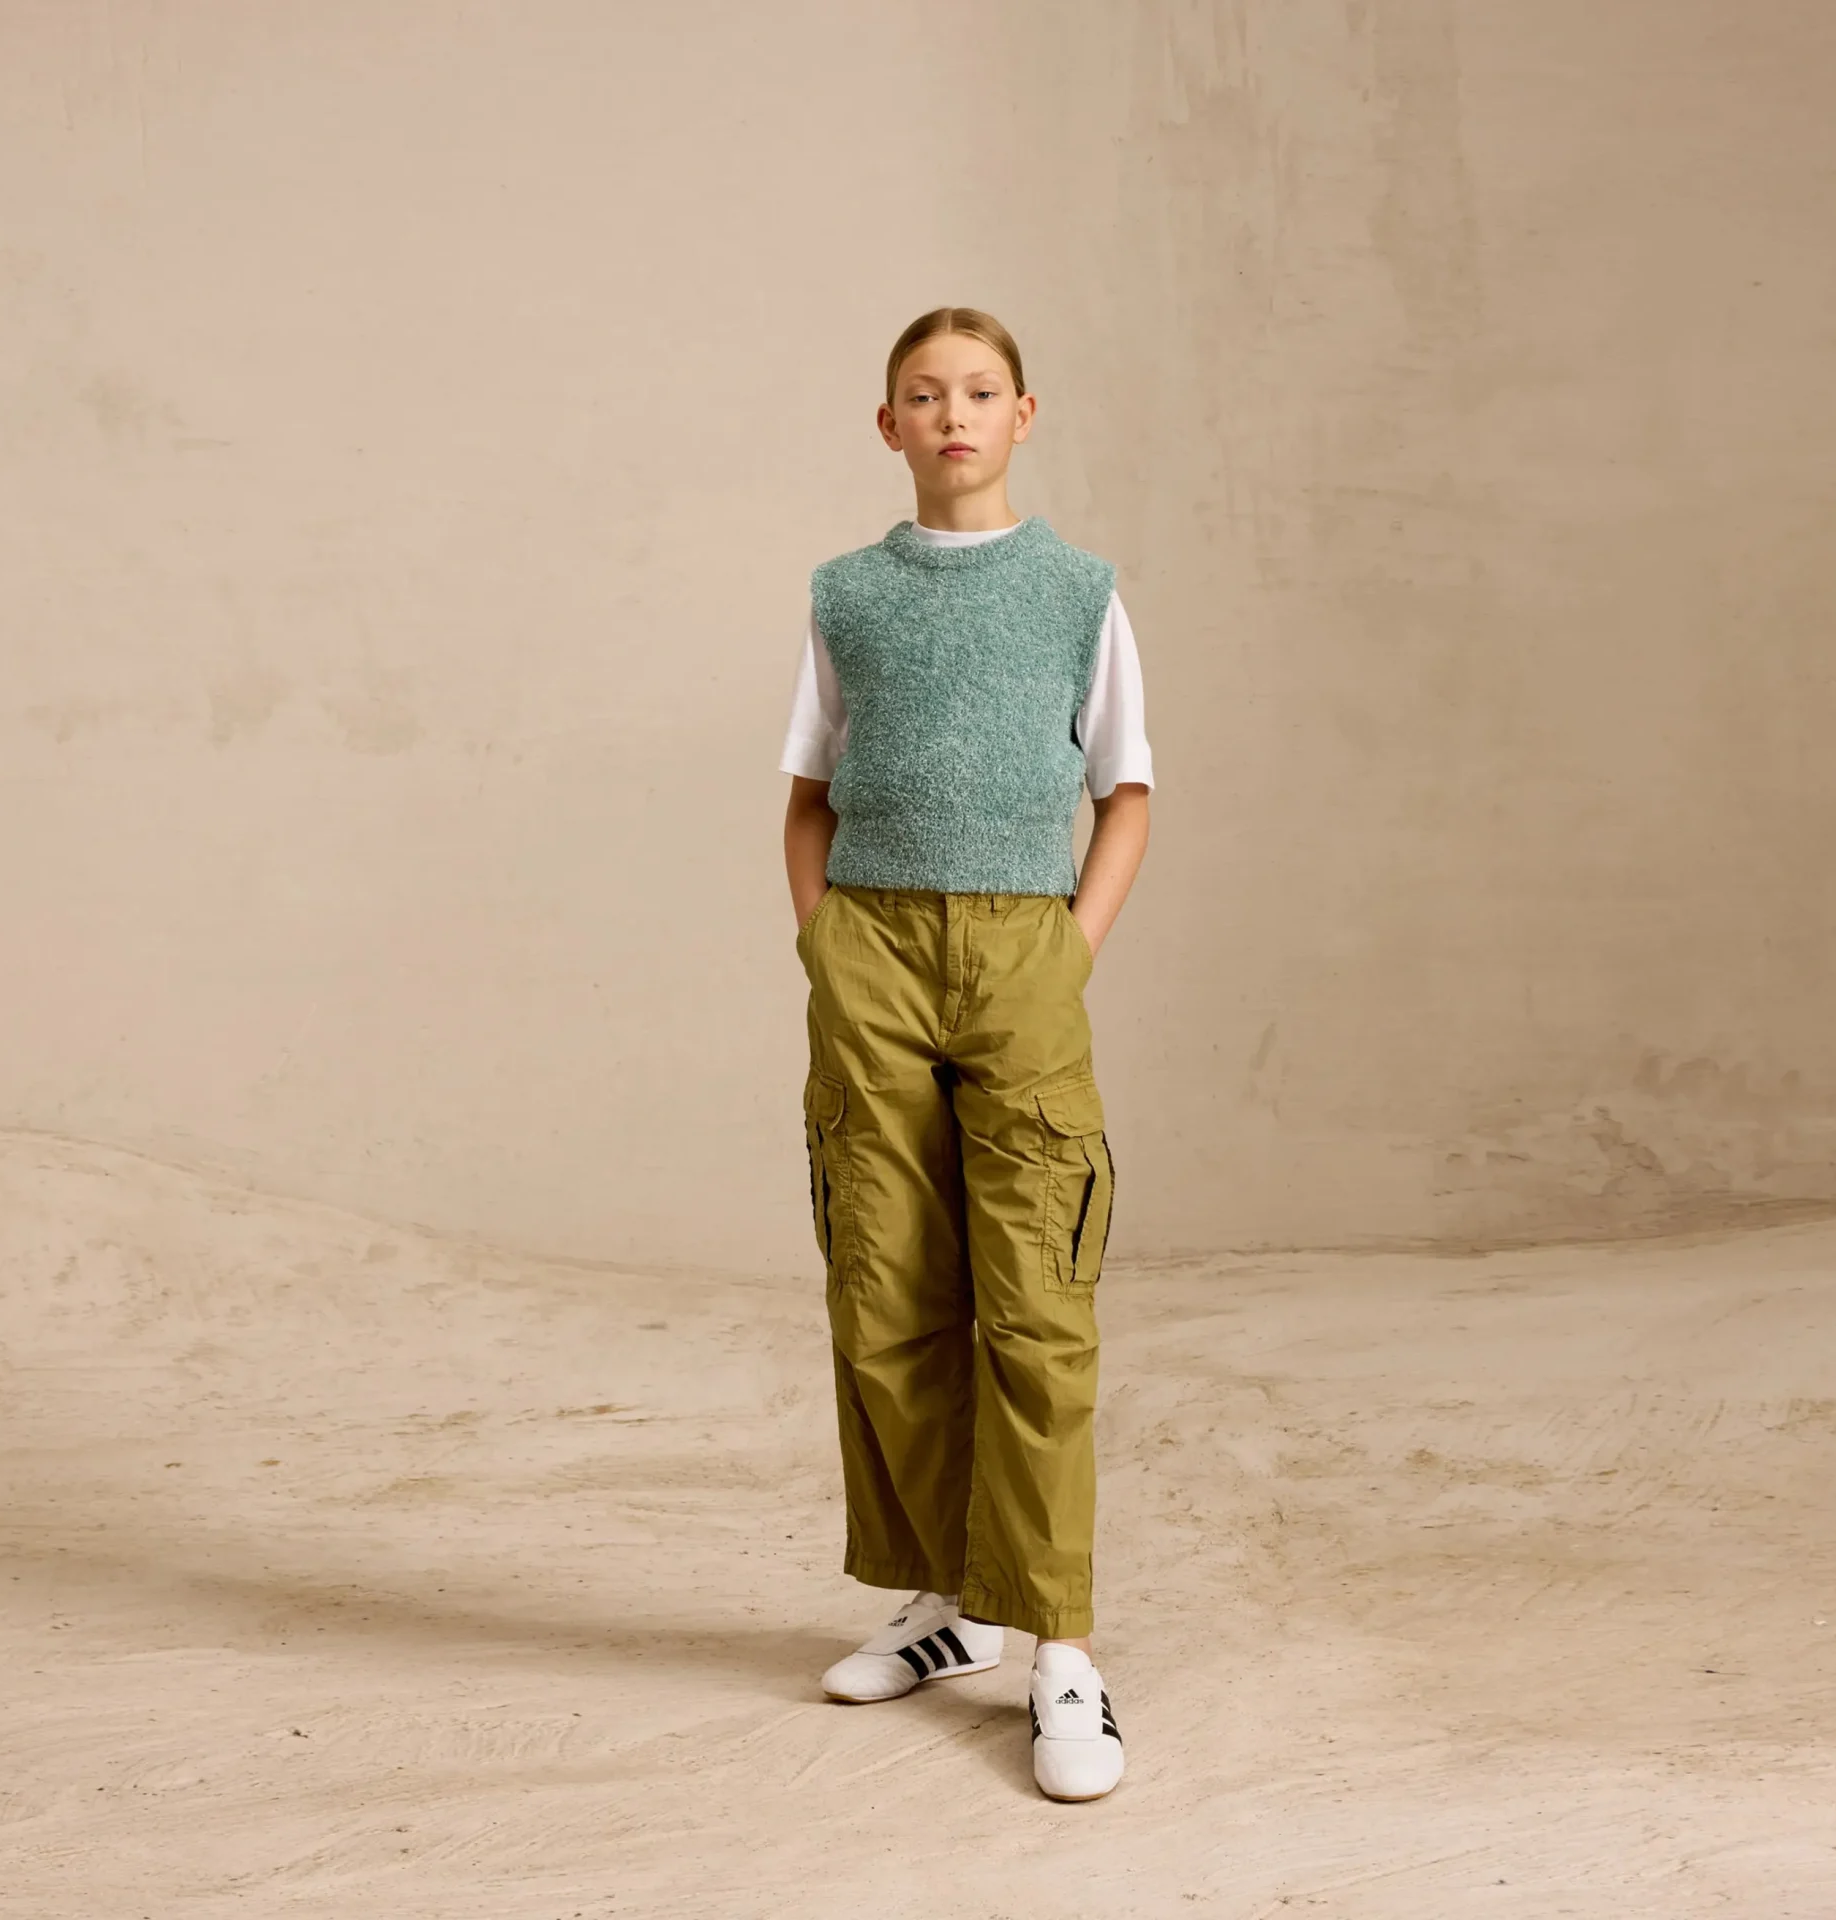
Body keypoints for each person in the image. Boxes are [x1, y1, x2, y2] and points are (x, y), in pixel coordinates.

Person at [777, 307, 1153, 1802]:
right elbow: (808, 791)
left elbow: (1126, 791)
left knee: (1036, 1303)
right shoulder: (848, 595)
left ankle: (1060, 1646)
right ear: (889, 425)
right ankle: (951, 1603)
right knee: (886, 1290)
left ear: (1022, 416)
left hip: (1020, 955)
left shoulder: (1077, 592)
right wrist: (823, 939)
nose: (953, 415)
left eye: (980, 392)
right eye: (924, 395)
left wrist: (1066, 951)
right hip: (869, 948)